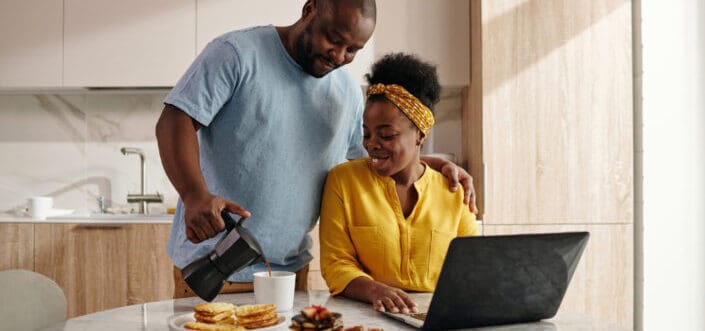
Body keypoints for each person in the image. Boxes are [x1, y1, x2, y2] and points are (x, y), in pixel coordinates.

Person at [155, 0, 477, 297]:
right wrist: (194, 194)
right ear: (310, 9)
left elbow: (371, 159)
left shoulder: (347, 94)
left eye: (353, 49)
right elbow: (175, 119)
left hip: (290, 276)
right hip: (212, 270)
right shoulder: (236, 54)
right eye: (334, 40)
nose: (339, 56)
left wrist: (430, 164)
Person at [319, 53, 479, 314]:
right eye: (367, 134)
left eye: (387, 135)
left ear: (419, 134)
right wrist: (374, 290)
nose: (371, 144)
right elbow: (336, 263)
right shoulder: (344, 182)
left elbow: (473, 264)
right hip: (367, 314)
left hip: (436, 317)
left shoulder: (452, 190)